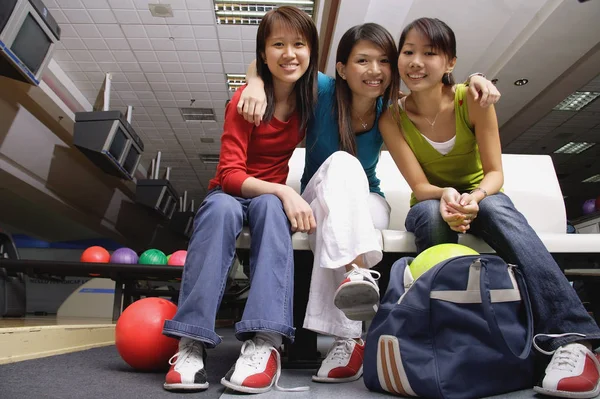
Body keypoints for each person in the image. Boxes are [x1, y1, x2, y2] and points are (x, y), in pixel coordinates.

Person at [239, 23, 500, 383]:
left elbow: (446, 85)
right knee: (342, 164)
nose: (374, 70)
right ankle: (350, 326)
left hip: (367, 202)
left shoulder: (390, 113)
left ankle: (350, 319)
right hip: (315, 195)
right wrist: (253, 81)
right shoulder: (322, 90)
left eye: (382, 61)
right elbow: (280, 64)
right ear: (343, 69)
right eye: (362, 60)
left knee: (336, 222)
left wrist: (475, 76)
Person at [379, 17, 600, 399]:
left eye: (429, 53)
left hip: (483, 195)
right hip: (433, 200)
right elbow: (419, 185)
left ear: (450, 62)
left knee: (497, 210)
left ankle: (573, 338)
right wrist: (446, 194)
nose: (415, 62)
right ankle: (444, 339)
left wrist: (476, 198)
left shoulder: (473, 99)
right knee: (431, 216)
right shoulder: (393, 117)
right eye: (408, 52)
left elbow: (496, 173)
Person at [160, 6, 318, 394]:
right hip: (231, 192)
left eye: (299, 44)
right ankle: (191, 342)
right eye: (277, 44)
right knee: (220, 210)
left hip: (264, 201)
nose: (289, 53)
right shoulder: (243, 103)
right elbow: (230, 175)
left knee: (270, 209)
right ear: (263, 53)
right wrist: (253, 83)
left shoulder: (312, 99)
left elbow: (368, 84)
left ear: (311, 51)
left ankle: (266, 341)